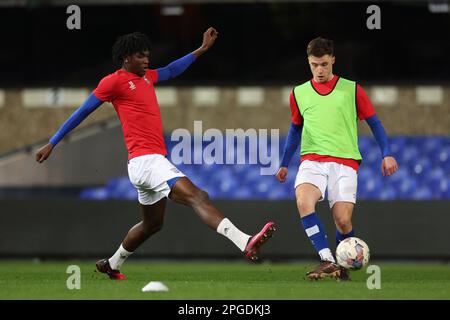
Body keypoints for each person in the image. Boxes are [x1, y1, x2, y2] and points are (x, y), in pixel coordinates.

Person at [35, 27, 276, 280]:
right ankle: (244, 241)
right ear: (127, 58)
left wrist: (201, 50)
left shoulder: (148, 77)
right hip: (147, 160)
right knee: (197, 195)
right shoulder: (113, 81)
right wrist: (52, 142)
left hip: (145, 164)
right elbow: (83, 111)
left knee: (152, 225)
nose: (147, 60)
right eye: (141, 56)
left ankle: (112, 264)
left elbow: (172, 70)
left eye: (148, 55)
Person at [276, 37, 398, 281]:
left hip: (345, 163)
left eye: (323, 64)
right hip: (312, 160)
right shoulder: (299, 93)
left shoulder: (352, 89)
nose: (319, 70)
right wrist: (283, 162)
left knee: (343, 221)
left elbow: (374, 122)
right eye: (314, 65)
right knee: (303, 202)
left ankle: (343, 266)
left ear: (333, 59)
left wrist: (387, 153)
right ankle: (327, 260)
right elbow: (294, 130)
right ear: (308, 62)